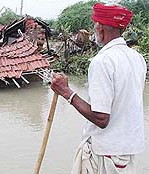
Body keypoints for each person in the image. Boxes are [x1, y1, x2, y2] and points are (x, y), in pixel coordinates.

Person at [51, 3, 147, 174]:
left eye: (94, 24)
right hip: (126, 152)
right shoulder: (138, 58)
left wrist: (67, 92)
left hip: (105, 154)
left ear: (100, 28)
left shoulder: (102, 61)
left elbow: (101, 118)